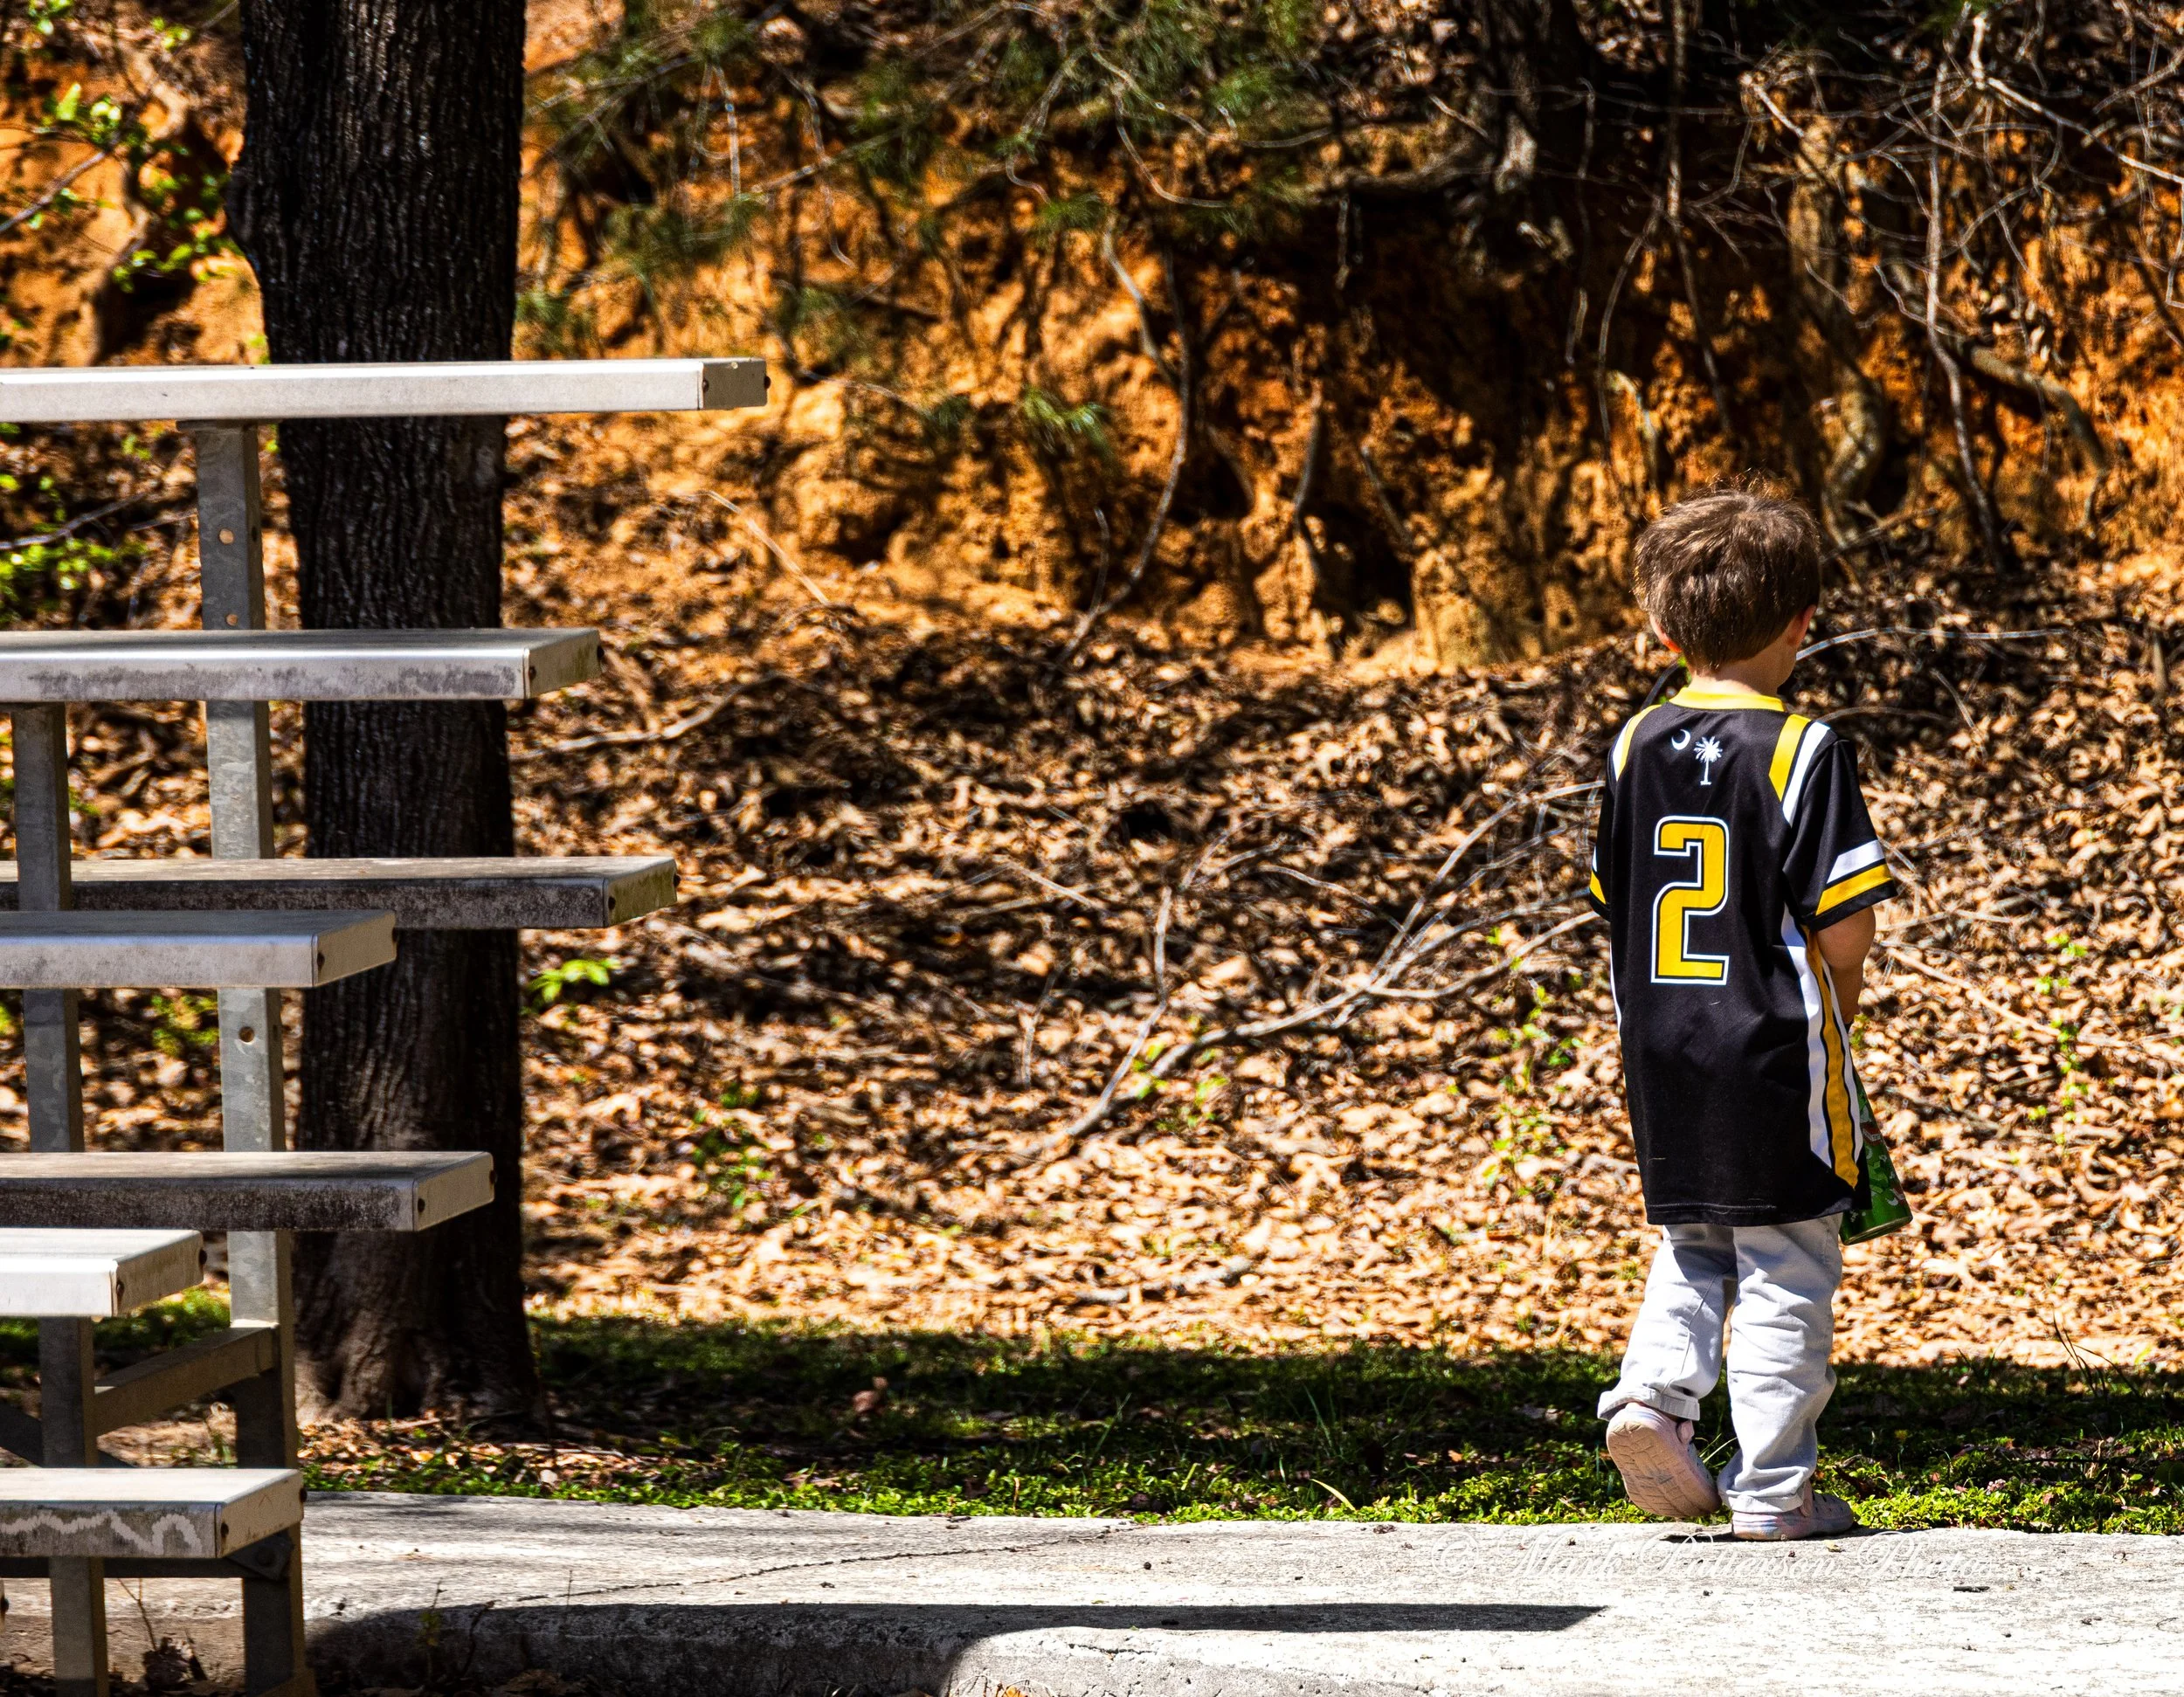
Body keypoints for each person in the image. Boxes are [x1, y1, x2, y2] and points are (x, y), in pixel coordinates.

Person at [1585, 488, 1897, 1542]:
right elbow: (1841, 925)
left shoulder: (1634, 744)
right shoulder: (1804, 750)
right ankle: (1773, 1488)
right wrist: (1833, 1033)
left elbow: (1612, 897)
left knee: (1692, 1242)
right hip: (1770, 1053)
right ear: (1801, 622)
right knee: (1787, 1262)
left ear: (1665, 631)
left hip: (1661, 1051)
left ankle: (1650, 1401)